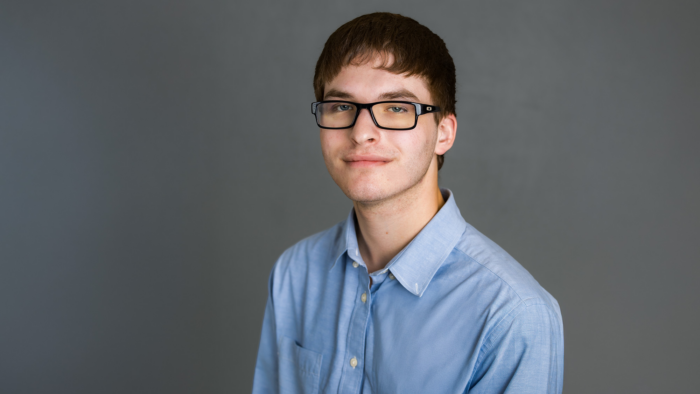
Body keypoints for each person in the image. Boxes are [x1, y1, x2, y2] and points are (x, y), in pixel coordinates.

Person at [252, 12, 564, 394]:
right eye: (340, 106)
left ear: (444, 133)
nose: (362, 132)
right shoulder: (294, 274)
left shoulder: (513, 315)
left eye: (397, 108)